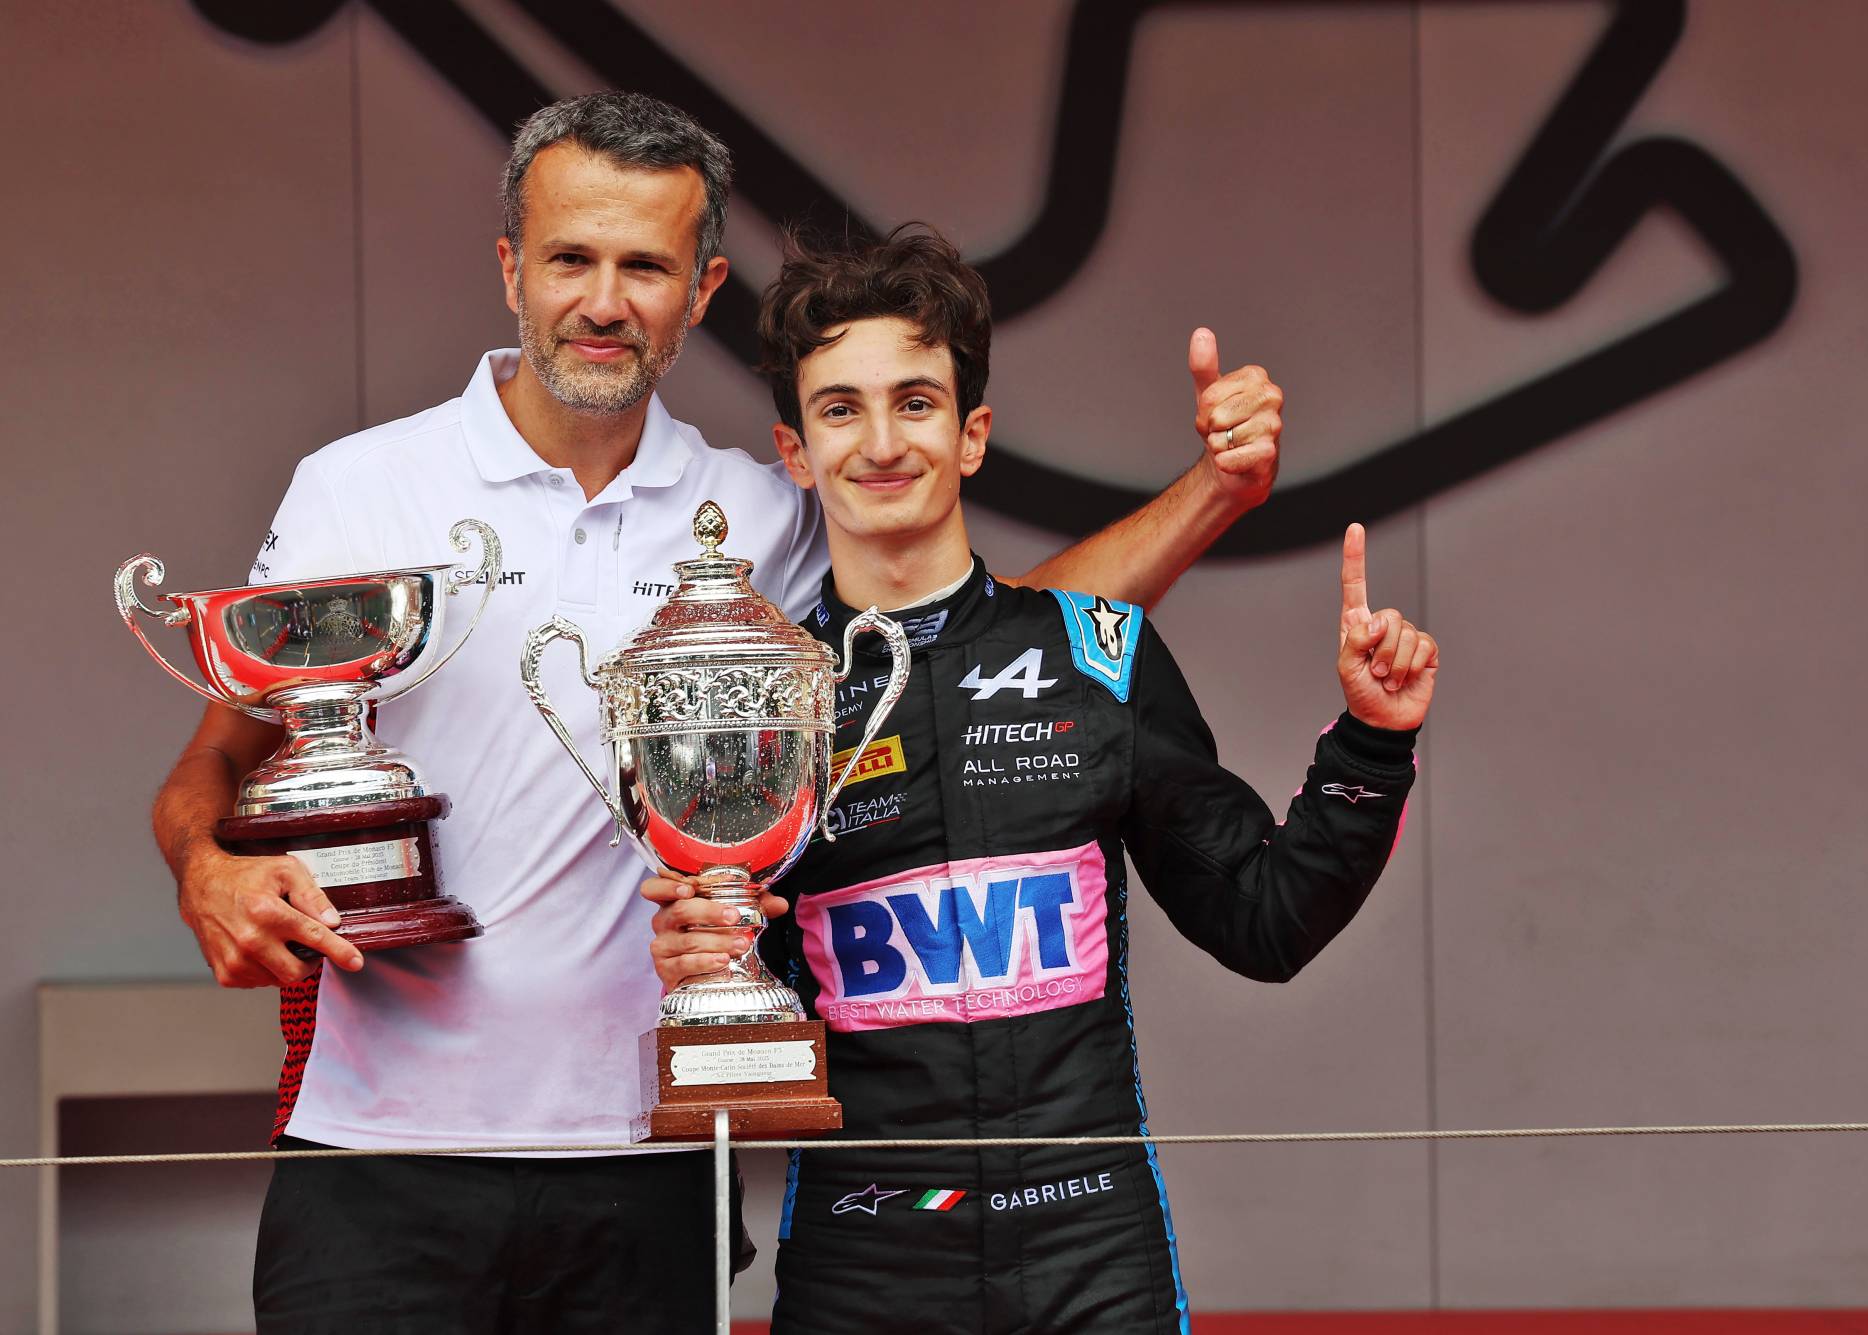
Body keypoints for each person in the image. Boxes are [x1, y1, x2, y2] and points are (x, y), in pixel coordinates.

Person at [150, 95, 1282, 1334]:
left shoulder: (760, 513)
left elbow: (982, 637)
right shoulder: (361, 487)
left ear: (701, 289)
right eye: (571, 258)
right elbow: (223, 750)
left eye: (645, 266)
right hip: (378, 1155)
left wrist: (1211, 496)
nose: (603, 299)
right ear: (510, 268)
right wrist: (204, 865)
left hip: (653, 1154)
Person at [644, 225, 1437, 1332]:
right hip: (864, 1250)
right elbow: (749, 996)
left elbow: (1264, 921)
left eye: (915, 403)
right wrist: (704, 958)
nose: (880, 442)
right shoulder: (759, 712)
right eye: (840, 409)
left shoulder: (1096, 651)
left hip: (1089, 1245)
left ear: (971, 435)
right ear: (792, 449)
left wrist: (1369, 740)